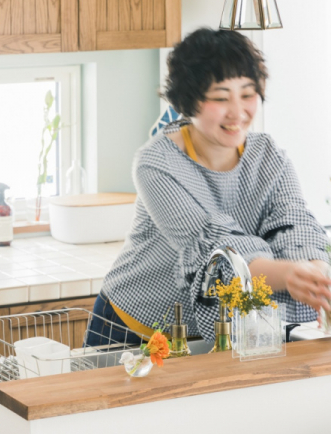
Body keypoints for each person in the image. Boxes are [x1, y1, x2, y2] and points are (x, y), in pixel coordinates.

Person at [86, 28, 331, 346]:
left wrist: (315, 269)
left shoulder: (268, 156)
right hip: (131, 330)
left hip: (213, 335)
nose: (238, 112)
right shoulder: (157, 163)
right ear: (191, 100)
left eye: (247, 94)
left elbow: (295, 224)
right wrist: (289, 275)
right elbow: (216, 249)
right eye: (220, 97)